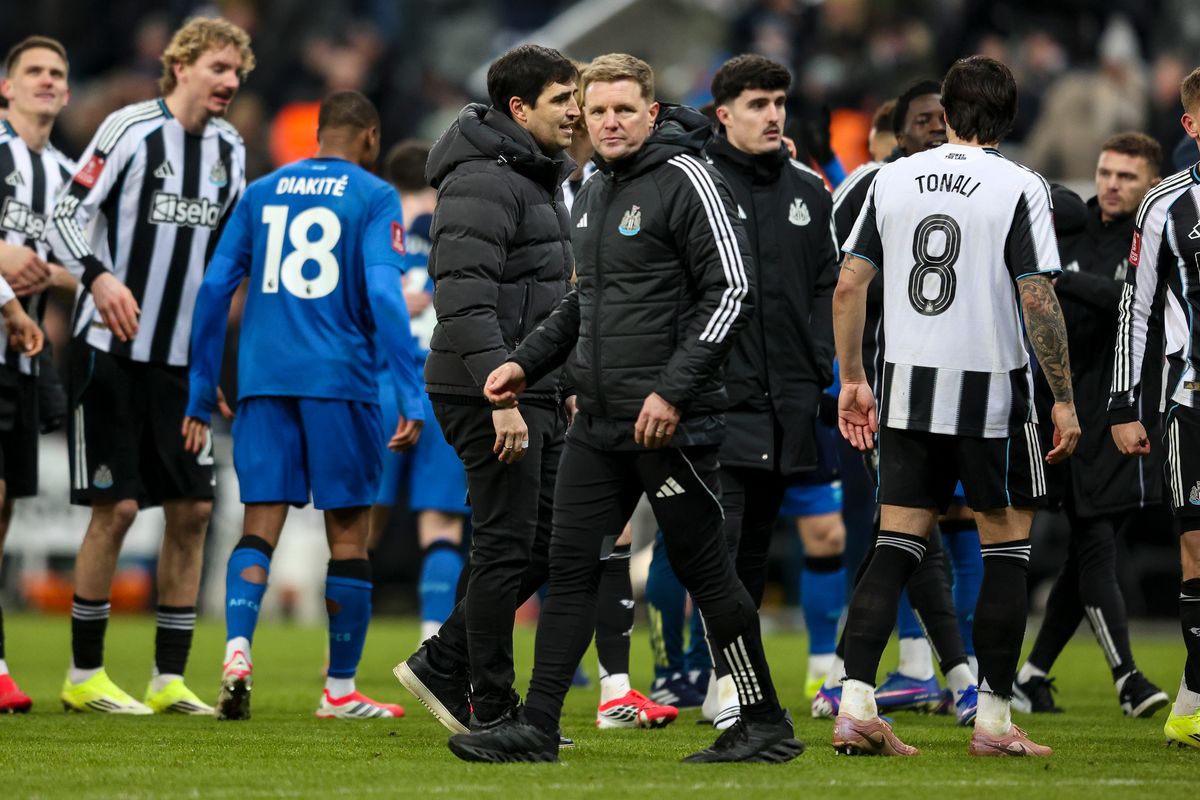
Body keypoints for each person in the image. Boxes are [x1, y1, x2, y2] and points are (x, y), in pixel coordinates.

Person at [456, 52, 803, 764]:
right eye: (598, 110)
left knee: (707, 570)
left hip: (671, 426)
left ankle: (763, 719)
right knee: (570, 562)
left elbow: (730, 292)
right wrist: (522, 363)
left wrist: (673, 391)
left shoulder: (686, 178)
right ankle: (539, 726)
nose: (610, 122)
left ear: (650, 113)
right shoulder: (589, 190)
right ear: (584, 115)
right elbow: (583, 304)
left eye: (624, 109)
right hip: (603, 423)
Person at [832, 55, 1079, 757]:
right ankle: (995, 724)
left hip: (906, 391)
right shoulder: (1019, 184)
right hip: (995, 397)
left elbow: (849, 286)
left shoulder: (891, 177)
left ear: (946, 107)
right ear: (1009, 115)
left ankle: (854, 708)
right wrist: (1064, 401)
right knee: (1006, 550)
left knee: (896, 547)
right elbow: (1037, 295)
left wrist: (853, 378)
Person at [184, 90, 422, 720]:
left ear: (319, 134)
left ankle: (237, 649)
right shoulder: (374, 197)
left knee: (258, 523)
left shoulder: (261, 192)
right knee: (347, 532)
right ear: (370, 137)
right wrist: (411, 389)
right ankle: (339, 691)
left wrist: (202, 384)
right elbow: (385, 294)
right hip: (340, 382)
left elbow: (212, 290)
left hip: (263, 379)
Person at [49, 17, 254, 715]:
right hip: (108, 351)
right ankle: (85, 675)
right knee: (120, 507)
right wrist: (99, 278)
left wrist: (213, 371)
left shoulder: (230, 148)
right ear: (183, 64)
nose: (230, 83)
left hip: (178, 366)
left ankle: (168, 678)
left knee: (194, 509)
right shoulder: (130, 128)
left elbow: (224, 267)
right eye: (220, 69)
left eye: (238, 74)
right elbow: (65, 214)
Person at [391, 44, 578, 735]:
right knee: (505, 546)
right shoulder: (482, 181)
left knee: (554, 543)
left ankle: (445, 659)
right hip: (487, 387)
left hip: (533, 384)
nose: (576, 111)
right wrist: (502, 399)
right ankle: (489, 703)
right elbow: (465, 303)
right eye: (563, 99)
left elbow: (543, 296)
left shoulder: (532, 175)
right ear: (519, 108)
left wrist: (559, 383)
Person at [653, 53, 839, 731]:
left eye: (779, 102)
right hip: (715, 398)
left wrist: (819, 360)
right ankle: (728, 680)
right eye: (758, 104)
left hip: (786, 395)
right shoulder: (691, 185)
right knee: (721, 544)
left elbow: (828, 283)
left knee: (756, 544)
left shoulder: (809, 190)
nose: (773, 115)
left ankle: (722, 685)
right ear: (723, 113)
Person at [815, 80, 980, 725]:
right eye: (922, 121)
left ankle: (869, 673)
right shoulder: (869, 187)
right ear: (896, 130)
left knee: (931, 528)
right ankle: (956, 677)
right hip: (887, 393)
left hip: (966, 386)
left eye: (945, 120)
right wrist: (845, 375)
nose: (935, 130)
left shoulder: (982, 185)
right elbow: (836, 283)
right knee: (908, 531)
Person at [1014, 132, 1170, 718]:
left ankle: (1065, 675)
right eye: (1105, 172)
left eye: (1127, 176)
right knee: (1091, 544)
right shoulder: (1070, 232)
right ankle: (1096, 676)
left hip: (1121, 413)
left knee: (1093, 543)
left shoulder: (1156, 241)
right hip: (1062, 410)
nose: (1110, 184)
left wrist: (1059, 280)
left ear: (1152, 184)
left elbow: (1130, 300)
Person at [1109, 66, 1200, 750]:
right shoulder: (1165, 205)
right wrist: (1122, 405)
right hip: (1192, 401)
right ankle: (1194, 702)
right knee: (1196, 551)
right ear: (1191, 125)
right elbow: (1135, 311)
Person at [0, 35, 76, 714]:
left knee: (5, 509)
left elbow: (82, 267)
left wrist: (39, 272)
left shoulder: (68, 173)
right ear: (6, 86)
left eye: (57, 73)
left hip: (21, 358)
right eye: (34, 71)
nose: (47, 81)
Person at [372, 140, 469, 646]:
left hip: (381, 382)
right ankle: (433, 645)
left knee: (358, 524)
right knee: (443, 522)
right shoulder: (458, 221)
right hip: (444, 381)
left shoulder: (376, 219)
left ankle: (336, 656)